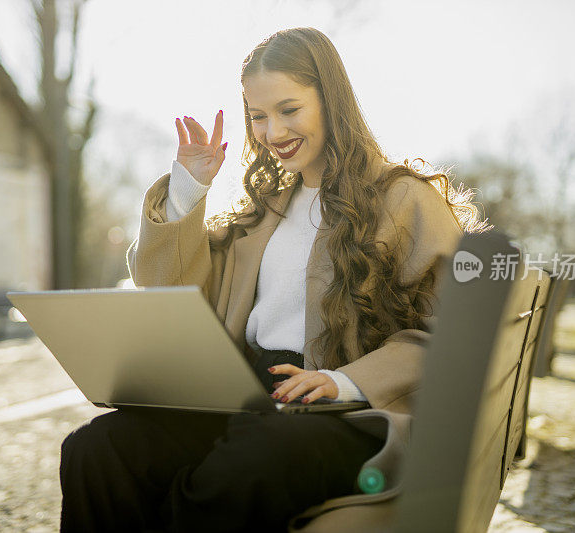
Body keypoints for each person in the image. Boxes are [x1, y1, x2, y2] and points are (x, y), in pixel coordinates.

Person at [59, 27, 490, 533]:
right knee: (98, 449)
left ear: (331, 101)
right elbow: (166, 291)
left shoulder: (404, 200)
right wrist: (187, 188)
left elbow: (452, 332)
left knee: (247, 464)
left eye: (289, 110)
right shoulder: (260, 215)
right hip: (248, 401)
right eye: (257, 116)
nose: (271, 131)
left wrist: (342, 381)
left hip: (347, 412)